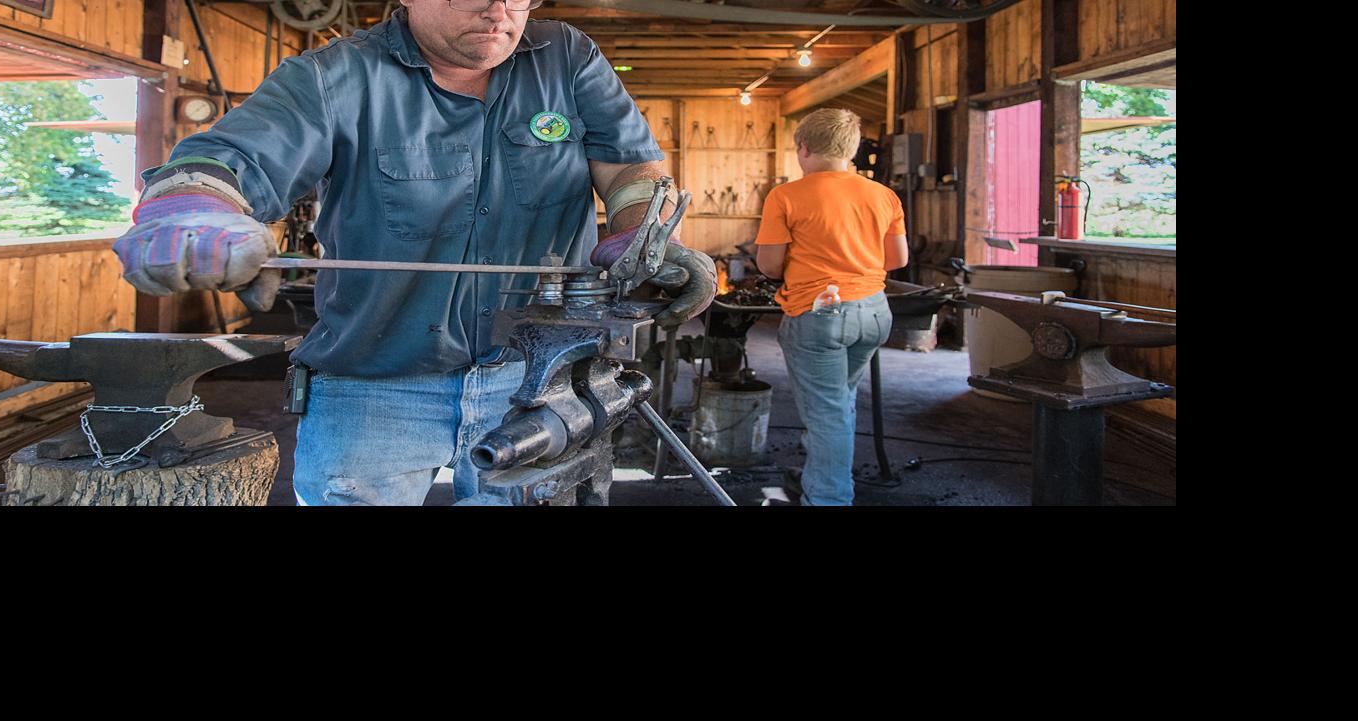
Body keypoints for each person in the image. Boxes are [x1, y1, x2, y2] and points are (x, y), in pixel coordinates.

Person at [111, 0, 713, 505]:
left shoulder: (568, 58)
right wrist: (186, 210)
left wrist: (641, 239)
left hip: (542, 376)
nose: (499, 12)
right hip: (374, 384)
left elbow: (630, 166)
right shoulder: (332, 77)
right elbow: (228, 162)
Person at [755, 108, 909, 506]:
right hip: (874, 312)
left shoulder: (786, 196)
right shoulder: (883, 195)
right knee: (839, 401)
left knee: (827, 413)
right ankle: (822, 474)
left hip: (820, 314)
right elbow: (897, 260)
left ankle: (829, 498)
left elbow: (770, 266)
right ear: (851, 150)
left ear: (803, 148)